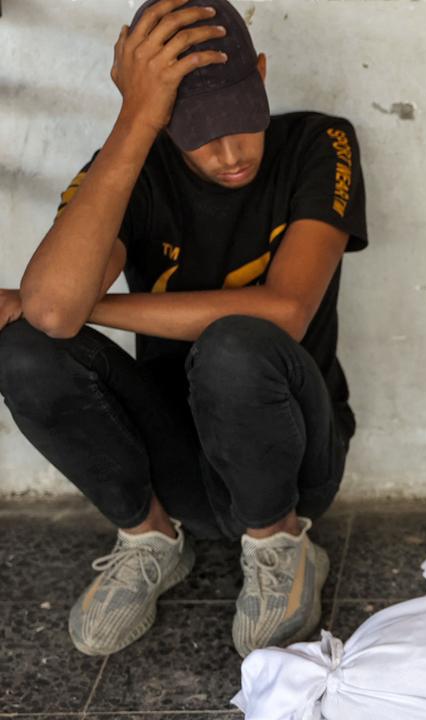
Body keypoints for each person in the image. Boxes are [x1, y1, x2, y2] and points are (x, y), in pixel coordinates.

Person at [0, 0, 368, 658]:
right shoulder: (129, 172)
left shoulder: (320, 141)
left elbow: (286, 310)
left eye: (240, 121)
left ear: (260, 73)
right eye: (196, 131)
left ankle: (281, 546)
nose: (228, 153)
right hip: (176, 457)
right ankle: (151, 539)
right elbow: (53, 313)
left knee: (237, 338)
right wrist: (136, 118)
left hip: (294, 460)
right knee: (25, 344)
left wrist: (92, 307)